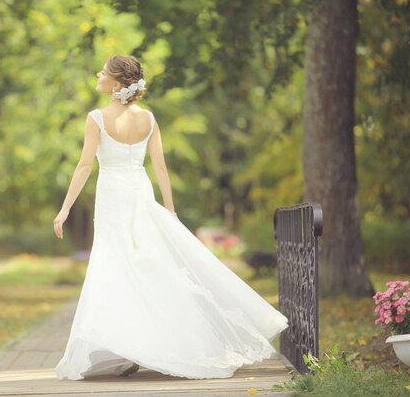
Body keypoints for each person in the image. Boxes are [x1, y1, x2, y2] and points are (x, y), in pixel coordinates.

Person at [53, 55, 288, 380]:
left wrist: (64, 209)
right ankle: (137, 346)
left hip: (112, 198)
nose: (98, 74)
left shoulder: (96, 118)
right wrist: (170, 209)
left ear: (117, 83)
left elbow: (83, 166)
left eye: (104, 72)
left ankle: (131, 345)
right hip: (140, 193)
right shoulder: (148, 120)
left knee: (115, 265)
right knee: (148, 266)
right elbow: (160, 168)